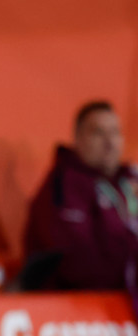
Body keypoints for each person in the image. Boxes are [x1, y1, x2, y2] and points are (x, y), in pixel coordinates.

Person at [23, 101, 138, 291]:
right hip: (75, 306)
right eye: (99, 133)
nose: (110, 142)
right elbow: (75, 262)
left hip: (123, 301)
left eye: (116, 132)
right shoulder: (63, 184)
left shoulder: (129, 180)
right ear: (77, 138)